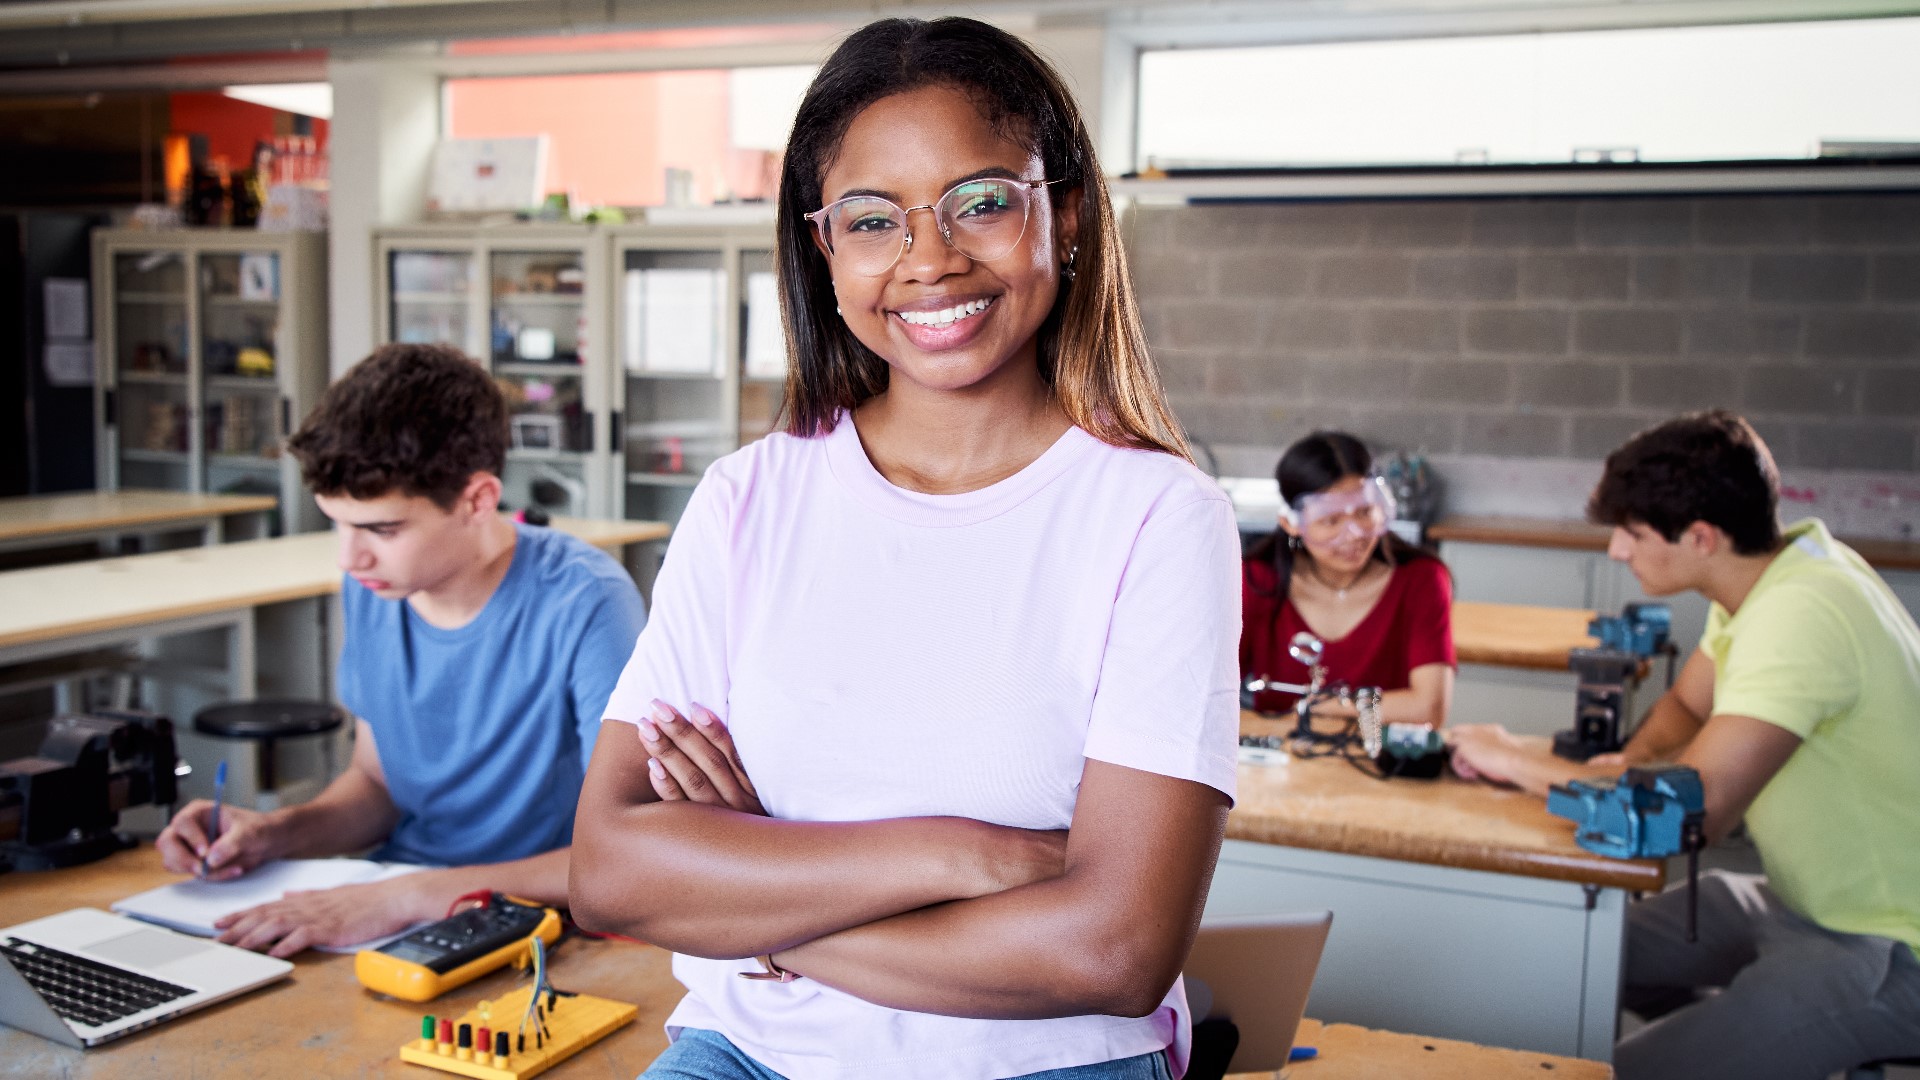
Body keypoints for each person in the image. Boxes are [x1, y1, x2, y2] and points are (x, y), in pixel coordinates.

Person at [569, 17, 1240, 1080]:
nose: (930, 260)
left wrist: (764, 906)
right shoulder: (749, 497)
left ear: (1061, 217)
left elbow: (1114, 949)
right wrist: (966, 857)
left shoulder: (1160, 516)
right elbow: (609, 869)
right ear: (824, 247)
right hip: (745, 1047)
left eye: (981, 202)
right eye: (873, 220)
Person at [1446, 409, 1920, 1080]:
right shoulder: (1778, 573)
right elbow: (1685, 704)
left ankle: (1751, 1042)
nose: (1616, 550)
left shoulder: (1801, 614)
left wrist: (1513, 759)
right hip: (1795, 898)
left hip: (1884, 944)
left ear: (1701, 537)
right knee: (1583, 949)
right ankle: (1744, 1041)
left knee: (1615, 1075)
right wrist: (1629, 763)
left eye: (1632, 534)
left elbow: (1689, 814)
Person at [154, 343, 646, 957]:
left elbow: (632, 852)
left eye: (381, 529)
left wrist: (412, 896)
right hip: (393, 898)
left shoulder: (585, 601)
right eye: (338, 523)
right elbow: (377, 787)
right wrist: (272, 835)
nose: (349, 557)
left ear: (477, 500)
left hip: (536, 923)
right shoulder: (377, 584)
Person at [1241, 431, 1454, 727]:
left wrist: (1322, 706)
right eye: (1331, 520)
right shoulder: (1257, 581)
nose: (1353, 535)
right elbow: (1209, 694)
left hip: (1380, 765)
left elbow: (1428, 709)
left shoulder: (1422, 579)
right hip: (1277, 765)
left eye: (1365, 512)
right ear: (1291, 523)